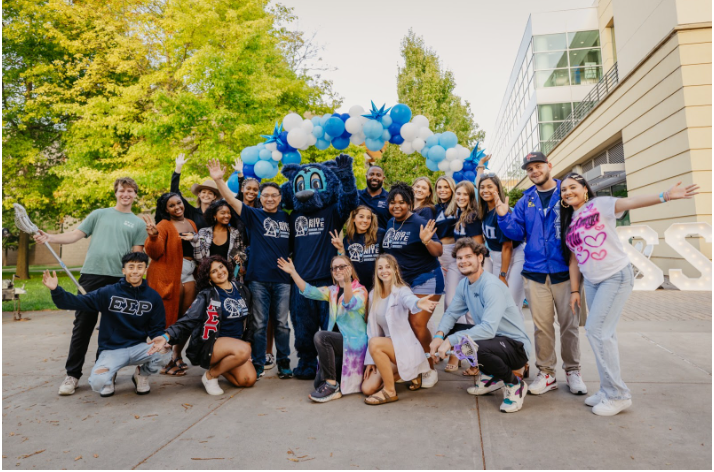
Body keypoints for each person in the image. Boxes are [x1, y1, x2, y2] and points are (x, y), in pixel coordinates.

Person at [558, 173, 699, 416]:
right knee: (605, 336)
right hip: (592, 282)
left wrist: (665, 196)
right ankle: (606, 389)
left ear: (584, 189)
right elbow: (573, 260)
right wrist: (574, 290)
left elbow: (631, 202)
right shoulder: (571, 220)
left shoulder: (599, 205)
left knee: (596, 331)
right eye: (563, 190)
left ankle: (618, 395)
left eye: (572, 187)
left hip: (615, 276)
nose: (567, 192)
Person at [33, 177, 148, 396]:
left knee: (112, 329)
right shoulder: (99, 214)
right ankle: (72, 375)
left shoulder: (138, 223)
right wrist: (50, 237)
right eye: (122, 190)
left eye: (131, 191)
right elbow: (75, 235)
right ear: (116, 192)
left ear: (135, 195)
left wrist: (135, 278)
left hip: (119, 280)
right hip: (91, 276)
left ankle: (105, 374)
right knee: (83, 325)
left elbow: (136, 254)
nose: (126, 194)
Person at [495, 151, 587, 396]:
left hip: (566, 271)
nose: (534, 171)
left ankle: (573, 371)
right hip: (535, 273)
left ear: (549, 166)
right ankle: (547, 373)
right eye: (529, 169)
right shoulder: (526, 200)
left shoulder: (565, 193)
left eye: (538, 166)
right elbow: (515, 233)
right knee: (542, 327)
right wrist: (504, 216)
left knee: (569, 326)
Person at [206, 159, 293, 380]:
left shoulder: (287, 218)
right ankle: (259, 363)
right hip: (258, 279)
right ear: (260, 199)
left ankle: (284, 363)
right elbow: (229, 200)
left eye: (274, 195)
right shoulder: (254, 216)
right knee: (259, 324)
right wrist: (218, 179)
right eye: (266, 196)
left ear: (280, 198)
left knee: (282, 324)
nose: (270, 198)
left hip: (283, 279)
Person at [41, 252, 170, 397]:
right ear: (123, 270)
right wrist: (56, 290)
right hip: (112, 350)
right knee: (98, 383)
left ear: (145, 270)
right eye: (131, 267)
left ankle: (141, 375)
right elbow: (77, 302)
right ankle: (109, 377)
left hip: (137, 348)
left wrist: (162, 341)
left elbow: (156, 328)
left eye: (140, 267)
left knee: (164, 354)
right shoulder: (108, 292)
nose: (135, 271)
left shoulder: (153, 297)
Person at [429, 239, 532, 413]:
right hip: (495, 340)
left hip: (516, 347)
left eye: (468, 256)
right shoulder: (464, 284)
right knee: (455, 331)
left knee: (471, 345)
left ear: (480, 257)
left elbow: (488, 329)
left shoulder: (491, 286)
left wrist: (451, 341)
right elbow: (451, 313)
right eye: (460, 258)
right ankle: (493, 376)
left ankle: (514, 384)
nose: (463, 261)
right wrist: (439, 336)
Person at [148, 256, 257, 395]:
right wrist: (166, 336)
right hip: (212, 345)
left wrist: (247, 342)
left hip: (236, 346)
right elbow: (188, 320)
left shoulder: (242, 290)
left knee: (247, 380)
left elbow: (251, 319)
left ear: (227, 267)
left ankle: (223, 364)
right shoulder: (207, 295)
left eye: (221, 267)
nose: (219, 272)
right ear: (209, 278)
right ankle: (210, 376)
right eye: (213, 271)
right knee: (242, 350)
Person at [277, 255, 368, 403]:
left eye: (342, 267)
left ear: (350, 269)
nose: (338, 270)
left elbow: (350, 303)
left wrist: (347, 283)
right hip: (338, 345)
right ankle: (334, 387)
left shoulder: (360, 291)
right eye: (334, 268)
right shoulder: (332, 291)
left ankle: (332, 386)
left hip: (352, 343)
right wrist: (293, 272)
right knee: (318, 383)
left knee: (321, 336)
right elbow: (309, 291)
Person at [382, 182, 443, 388]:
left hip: (426, 279)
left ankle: (430, 369)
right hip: (404, 283)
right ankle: (416, 364)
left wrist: (427, 241)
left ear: (409, 203)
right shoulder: (391, 223)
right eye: (392, 202)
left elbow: (438, 251)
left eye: (402, 202)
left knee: (417, 324)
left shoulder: (419, 221)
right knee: (408, 324)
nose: (396, 206)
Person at [362, 255, 439, 405]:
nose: (384, 271)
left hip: (403, 347)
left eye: (388, 267)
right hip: (387, 350)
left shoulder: (401, 291)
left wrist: (418, 303)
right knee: (367, 388)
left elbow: (409, 300)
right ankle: (410, 374)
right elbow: (372, 329)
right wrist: (371, 360)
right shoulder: (373, 295)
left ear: (395, 269)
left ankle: (390, 391)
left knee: (375, 343)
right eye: (380, 267)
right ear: (376, 272)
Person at [142, 193, 198, 376]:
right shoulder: (164, 225)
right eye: (171, 205)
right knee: (170, 318)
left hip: (189, 272)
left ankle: (177, 354)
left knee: (186, 317)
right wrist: (153, 236)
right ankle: (166, 362)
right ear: (166, 209)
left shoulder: (191, 222)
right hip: (170, 274)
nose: (177, 207)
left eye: (179, 203)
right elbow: (155, 252)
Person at [477, 173, 526, 318]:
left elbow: (507, 246)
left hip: (515, 256)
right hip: (498, 259)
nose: (485, 190)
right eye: (482, 187)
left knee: (510, 304)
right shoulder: (484, 211)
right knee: (500, 304)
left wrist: (502, 276)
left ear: (497, 189)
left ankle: (518, 339)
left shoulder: (503, 211)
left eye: (489, 187)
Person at [182, 199, 247, 277]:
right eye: (223, 213)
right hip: (208, 275)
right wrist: (195, 240)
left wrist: (238, 256)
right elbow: (199, 258)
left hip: (228, 276)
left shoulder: (235, 233)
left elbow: (242, 252)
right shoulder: (204, 232)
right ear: (214, 215)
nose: (227, 216)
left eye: (229, 213)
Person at [330, 206, 385, 292]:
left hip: (377, 287)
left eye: (368, 218)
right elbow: (345, 263)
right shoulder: (348, 239)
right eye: (361, 216)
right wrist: (341, 249)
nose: (365, 220)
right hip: (356, 288)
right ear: (353, 219)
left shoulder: (380, 234)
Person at [171, 154, 220, 229]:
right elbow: (175, 194)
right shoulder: (192, 212)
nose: (206, 195)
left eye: (210, 193)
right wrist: (178, 168)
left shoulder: (219, 213)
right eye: (204, 192)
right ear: (199, 194)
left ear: (214, 197)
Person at [358, 165, 390, 229]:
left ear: (383, 178)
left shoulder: (389, 198)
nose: (374, 177)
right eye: (371, 174)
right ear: (366, 177)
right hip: (358, 238)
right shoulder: (357, 195)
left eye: (378, 175)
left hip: (381, 238)